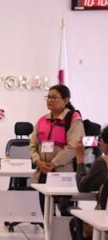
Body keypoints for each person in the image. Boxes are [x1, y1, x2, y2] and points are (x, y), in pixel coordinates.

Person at [30, 84, 85, 217]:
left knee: (66, 212)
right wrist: (38, 162)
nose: (50, 100)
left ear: (65, 100)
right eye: (48, 97)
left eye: (54, 97)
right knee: (46, 213)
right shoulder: (42, 120)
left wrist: (53, 163)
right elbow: (32, 145)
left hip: (64, 174)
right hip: (43, 172)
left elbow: (73, 147)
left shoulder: (74, 119)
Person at [70, 126, 108, 240]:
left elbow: (82, 186)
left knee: (74, 223)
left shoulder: (103, 163)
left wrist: (80, 159)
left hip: (102, 224)